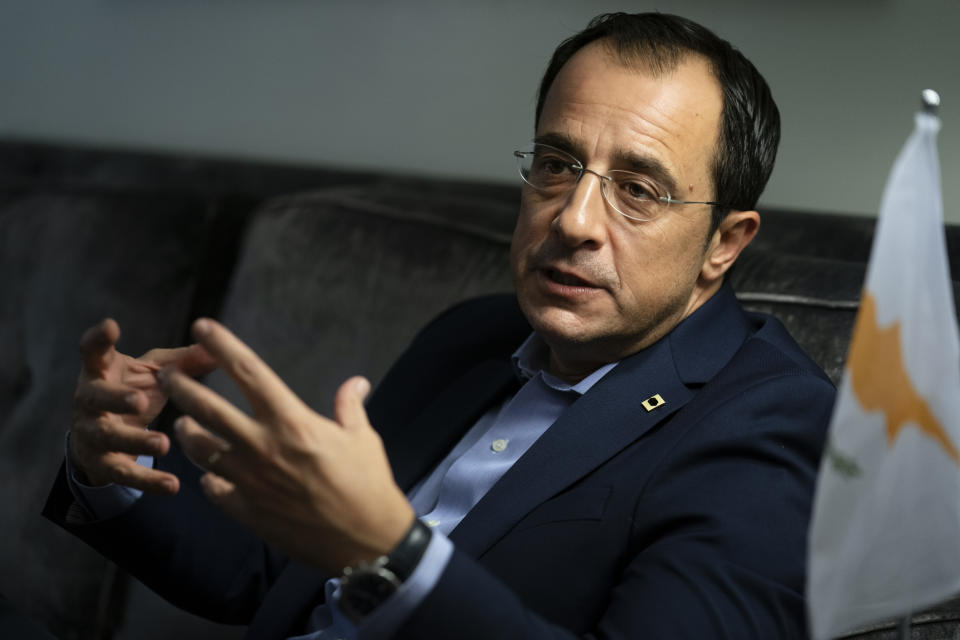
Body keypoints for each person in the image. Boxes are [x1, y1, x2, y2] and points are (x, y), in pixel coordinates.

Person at [45, 12, 835, 639]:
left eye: (639, 189)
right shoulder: (473, 336)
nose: (574, 221)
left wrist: (391, 555)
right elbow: (274, 577)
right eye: (557, 165)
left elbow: (364, 551)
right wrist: (110, 469)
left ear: (725, 244)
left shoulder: (773, 425)